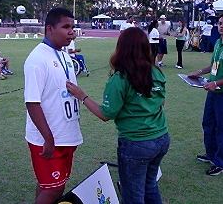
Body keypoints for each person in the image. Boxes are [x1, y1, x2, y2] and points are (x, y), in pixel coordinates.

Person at [66, 27, 169, 204]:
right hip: (161, 139)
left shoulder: (120, 79)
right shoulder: (156, 72)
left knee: (133, 195)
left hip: (136, 144)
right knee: (150, 186)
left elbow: (106, 114)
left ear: (121, 48)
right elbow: (161, 103)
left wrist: (81, 96)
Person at [24, 7, 83, 204]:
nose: (71, 31)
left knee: (48, 185)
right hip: (49, 139)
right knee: (54, 190)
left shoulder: (64, 55)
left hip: (66, 135)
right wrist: (48, 138)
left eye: (73, 27)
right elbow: (32, 103)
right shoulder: (37, 59)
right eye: (66, 27)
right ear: (49, 29)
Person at [188, 12, 223, 176]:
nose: (221, 26)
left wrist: (216, 83)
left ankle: (221, 163)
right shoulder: (218, 42)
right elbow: (214, 67)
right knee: (208, 123)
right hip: (213, 91)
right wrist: (199, 72)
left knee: (222, 128)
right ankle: (211, 155)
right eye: (220, 23)